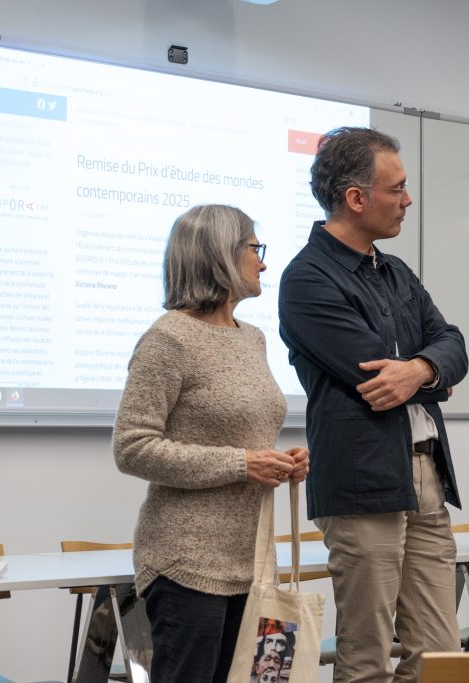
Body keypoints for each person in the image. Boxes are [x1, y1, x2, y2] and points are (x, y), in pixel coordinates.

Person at [279, 126, 468, 683]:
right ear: (356, 198)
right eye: (398, 188)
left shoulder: (395, 271)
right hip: (362, 481)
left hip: (426, 474)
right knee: (366, 658)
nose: (408, 200)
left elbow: (452, 342)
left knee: (439, 657)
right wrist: (428, 371)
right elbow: (371, 375)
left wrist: (421, 370)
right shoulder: (306, 278)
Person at [114, 204, 309, 683]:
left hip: (255, 561)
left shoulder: (254, 338)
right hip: (185, 563)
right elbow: (132, 446)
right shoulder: (168, 339)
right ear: (220, 255)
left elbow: (245, 434)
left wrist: (283, 460)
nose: (263, 262)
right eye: (253, 249)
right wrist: (242, 465)